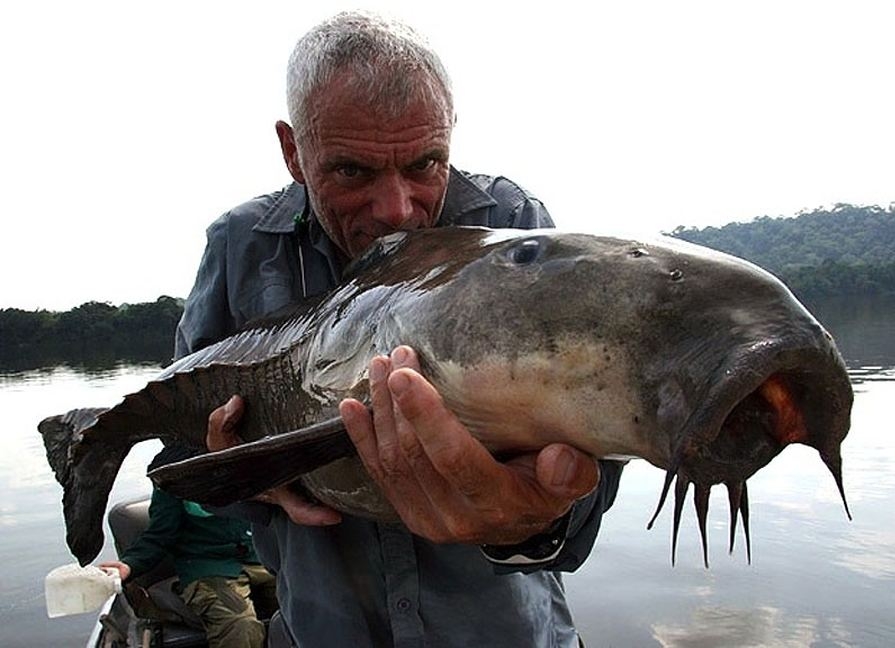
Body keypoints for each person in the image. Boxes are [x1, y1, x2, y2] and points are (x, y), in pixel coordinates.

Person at [176, 10, 625, 647]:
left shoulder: (513, 227)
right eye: (353, 172)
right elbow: (183, 442)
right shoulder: (239, 247)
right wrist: (250, 481)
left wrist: (535, 518)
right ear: (292, 150)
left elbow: (591, 479)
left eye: (425, 163)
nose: (398, 210)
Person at [100, 445, 278, 648]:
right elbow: (159, 534)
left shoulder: (252, 453)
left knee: (311, 605)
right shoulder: (171, 471)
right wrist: (129, 565)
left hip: (262, 559)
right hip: (209, 568)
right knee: (239, 626)